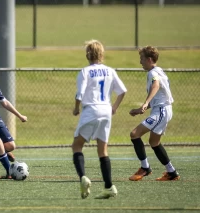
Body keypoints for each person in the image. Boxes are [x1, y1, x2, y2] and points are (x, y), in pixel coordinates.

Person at [72, 39, 127, 199]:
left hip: (91, 110)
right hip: (106, 111)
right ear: (102, 54)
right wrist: (114, 107)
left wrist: (76, 108)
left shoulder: (85, 72)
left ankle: (83, 177)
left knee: (77, 146)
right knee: (102, 150)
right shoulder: (110, 71)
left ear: (88, 54)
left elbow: (79, 94)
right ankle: (109, 187)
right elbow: (122, 91)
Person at [129, 46, 180, 181]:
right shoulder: (159, 71)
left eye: (142, 59)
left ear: (149, 59)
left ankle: (145, 168)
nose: (140, 62)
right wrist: (142, 108)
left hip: (162, 111)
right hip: (163, 109)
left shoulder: (153, 73)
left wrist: (145, 103)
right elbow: (159, 95)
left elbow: (156, 85)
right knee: (154, 142)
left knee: (135, 134)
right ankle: (172, 172)